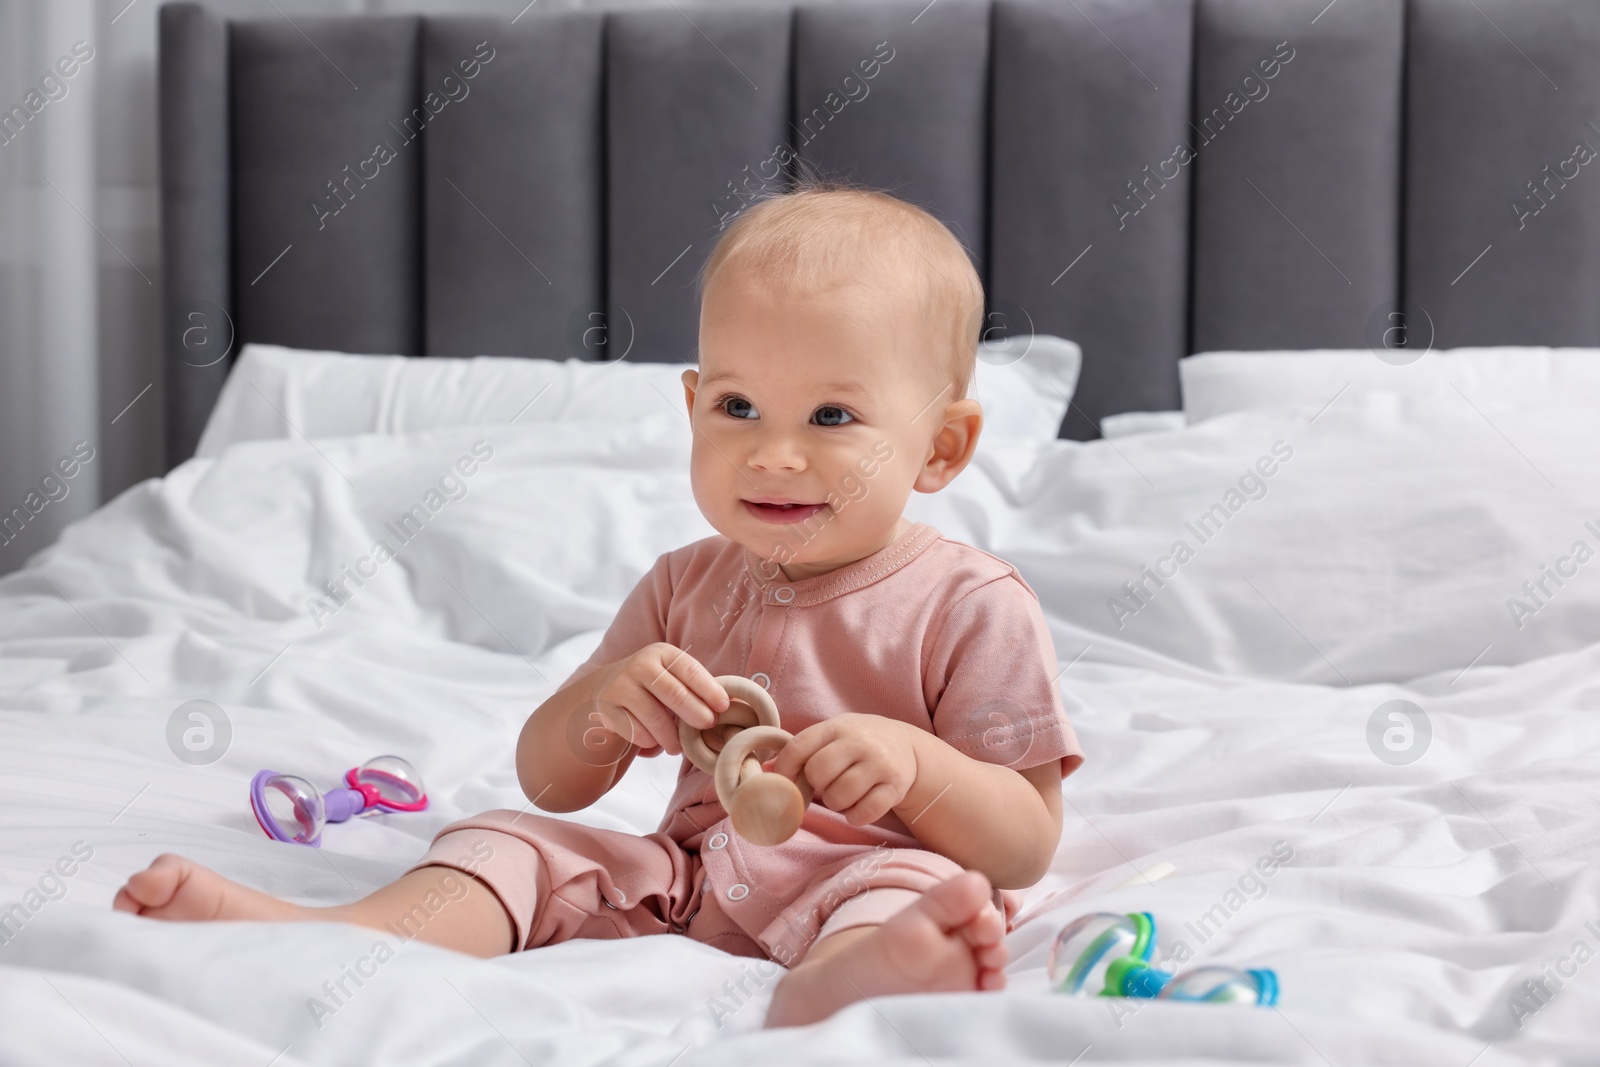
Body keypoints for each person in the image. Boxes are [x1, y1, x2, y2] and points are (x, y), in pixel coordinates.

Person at [114, 181, 1085, 1028]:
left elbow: (1024, 838)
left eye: (832, 416)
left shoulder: (970, 603)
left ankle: (837, 984)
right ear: (692, 403)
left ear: (943, 448)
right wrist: (602, 705)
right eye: (738, 407)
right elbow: (552, 781)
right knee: (510, 836)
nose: (773, 452)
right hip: (690, 876)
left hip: (865, 877)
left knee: (919, 888)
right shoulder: (682, 583)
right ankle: (335, 933)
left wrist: (919, 768)